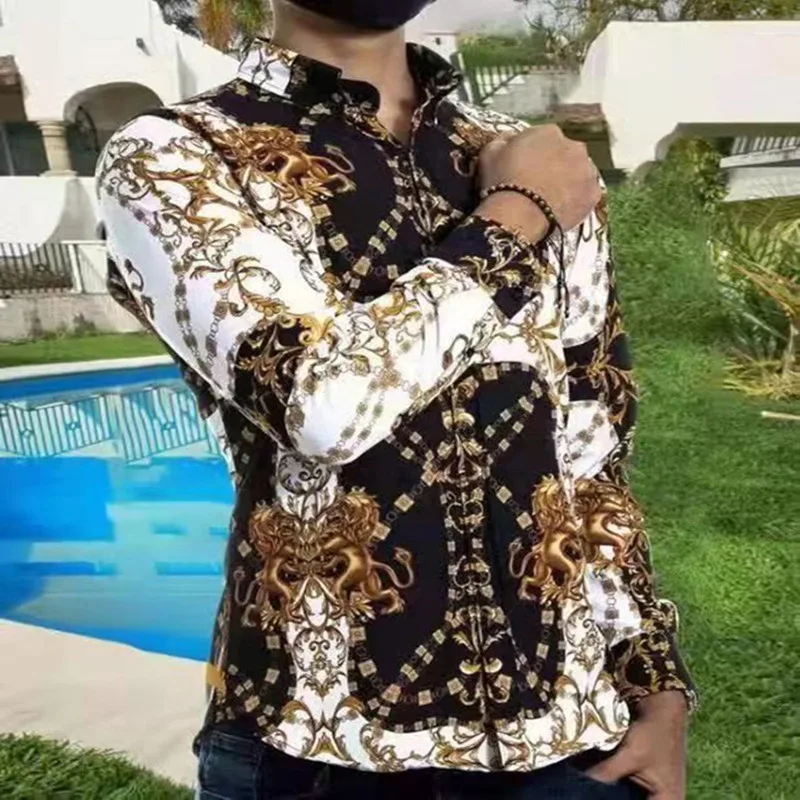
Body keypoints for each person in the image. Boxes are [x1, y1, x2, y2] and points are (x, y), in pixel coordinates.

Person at [97, 1, 695, 797]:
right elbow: (319, 404)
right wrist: (517, 213)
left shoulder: (533, 156)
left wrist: (657, 684)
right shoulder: (177, 155)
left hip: (567, 734)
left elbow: (593, 443)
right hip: (318, 743)